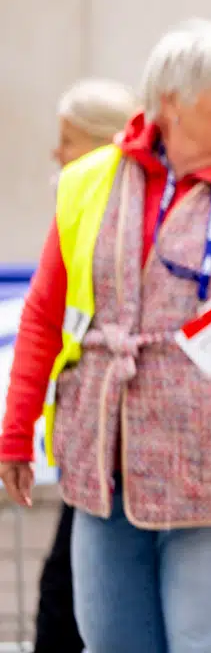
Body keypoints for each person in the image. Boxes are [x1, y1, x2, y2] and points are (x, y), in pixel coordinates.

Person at [0, 21, 211, 653]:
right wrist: (16, 430)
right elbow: (44, 314)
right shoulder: (89, 180)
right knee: (114, 644)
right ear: (172, 100)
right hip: (103, 464)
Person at [15, 78, 140, 653]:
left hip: (117, 443)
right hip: (86, 438)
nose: (54, 153)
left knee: (69, 606)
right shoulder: (81, 210)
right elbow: (44, 322)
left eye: (65, 139)